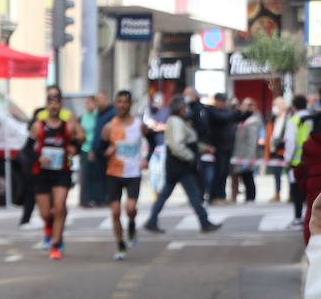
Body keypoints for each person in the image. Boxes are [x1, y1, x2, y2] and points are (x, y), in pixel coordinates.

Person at [142, 96, 220, 233]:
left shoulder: (179, 122)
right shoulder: (177, 122)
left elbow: (189, 143)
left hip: (178, 165)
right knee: (193, 195)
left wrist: (203, 149)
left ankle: (152, 220)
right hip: (181, 166)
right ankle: (204, 222)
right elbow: (178, 146)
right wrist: (191, 157)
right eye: (184, 107)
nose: (186, 110)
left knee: (167, 194)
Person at [29, 86, 83, 259]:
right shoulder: (38, 124)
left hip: (62, 172)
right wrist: (38, 158)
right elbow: (26, 150)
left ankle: (56, 243)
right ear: (46, 105)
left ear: (60, 105)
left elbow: (80, 140)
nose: (53, 106)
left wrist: (74, 148)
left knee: (59, 208)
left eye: (56, 103)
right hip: (42, 173)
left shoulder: (68, 125)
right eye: (50, 103)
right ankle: (49, 228)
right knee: (45, 213)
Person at [97, 90, 144, 260]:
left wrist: (146, 159)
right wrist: (106, 152)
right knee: (115, 212)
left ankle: (131, 224)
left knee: (130, 208)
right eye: (120, 102)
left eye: (126, 102)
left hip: (133, 172)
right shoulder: (109, 127)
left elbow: (152, 140)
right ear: (115, 104)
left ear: (130, 104)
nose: (122, 105)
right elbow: (99, 149)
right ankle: (120, 244)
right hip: (114, 172)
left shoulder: (139, 124)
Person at [285, 94, 312, 226]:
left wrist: (287, 159)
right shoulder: (313, 119)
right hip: (313, 160)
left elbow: (290, 142)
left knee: (297, 192)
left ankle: (298, 217)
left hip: (297, 162)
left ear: (294, 106)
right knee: (311, 191)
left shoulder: (294, 120)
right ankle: (312, 217)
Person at [232, 98, 262, 204]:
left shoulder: (252, 121)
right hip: (241, 154)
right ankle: (248, 196)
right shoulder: (245, 120)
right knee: (245, 177)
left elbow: (251, 142)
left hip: (246, 155)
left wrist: (249, 159)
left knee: (248, 176)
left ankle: (250, 197)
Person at [269, 96, 290, 202]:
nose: (274, 108)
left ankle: (291, 194)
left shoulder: (288, 118)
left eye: (275, 105)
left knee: (289, 173)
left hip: (284, 150)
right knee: (276, 173)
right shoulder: (273, 119)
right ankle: (277, 193)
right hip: (274, 150)